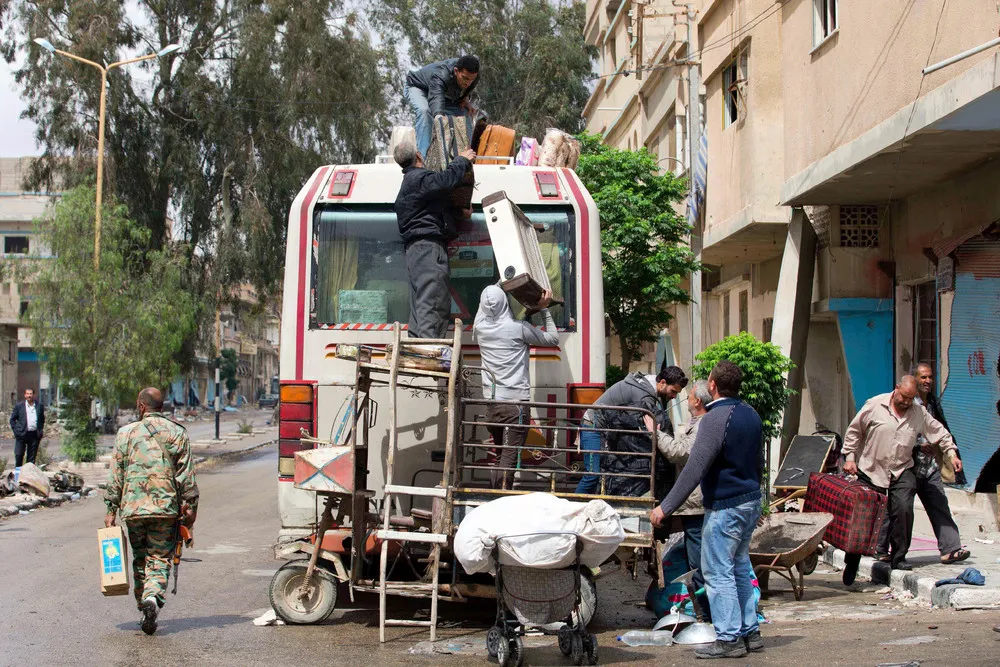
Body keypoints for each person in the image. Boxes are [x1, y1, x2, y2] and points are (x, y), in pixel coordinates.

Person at [651, 361, 765, 659]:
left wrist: (665, 508)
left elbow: (693, 470)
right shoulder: (751, 415)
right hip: (750, 500)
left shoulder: (715, 419)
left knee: (718, 571)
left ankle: (729, 638)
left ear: (712, 385)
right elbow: (759, 463)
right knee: (739, 566)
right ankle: (750, 633)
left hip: (726, 505)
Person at [104, 387, 199, 635]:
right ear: (162, 406)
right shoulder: (178, 433)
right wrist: (191, 510)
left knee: (139, 558)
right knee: (158, 558)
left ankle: (142, 603)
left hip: (133, 509)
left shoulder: (125, 434)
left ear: (141, 405)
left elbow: (116, 474)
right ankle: (152, 598)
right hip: (165, 509)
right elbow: (187, 478)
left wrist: (110, 508)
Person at [842, 375, 962, 571]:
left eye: (910, 399)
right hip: (871, 468)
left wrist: (952, 454)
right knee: (864, 517)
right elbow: (854, 431)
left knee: (904, 509)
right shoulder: (874, 405)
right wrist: (849, 458)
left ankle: (899, 557)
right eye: (903, 397)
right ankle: (852, 560)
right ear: (896, 388)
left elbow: (939, 432)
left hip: (901, 468)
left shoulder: (918, 412)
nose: (906, 402)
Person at [874, 363, 969, 566]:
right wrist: (918, 445)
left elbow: (939, 430)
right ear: (913, 380)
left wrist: (951, 453)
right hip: (906, 466)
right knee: (900, 509)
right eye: (923, 377)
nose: (927, 381)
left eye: (930, 377)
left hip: (929, 467)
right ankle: (881, 548)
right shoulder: (904, 402)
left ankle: (950, 549)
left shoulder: (932, 403)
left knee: (939, 504)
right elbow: (896, 432)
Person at [473, 284, 559, 489]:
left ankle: (494, 497)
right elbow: (553, 338)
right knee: (509, 458)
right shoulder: (518, 328)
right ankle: (500, 500)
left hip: (493, 406)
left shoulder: (480, 328)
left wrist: (496, 285)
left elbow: (485, 302)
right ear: (504, 303)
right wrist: (545, 308)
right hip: (516, 405)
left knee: (500, 456)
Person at [393, 141, 475, 339]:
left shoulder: (411, 185)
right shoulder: (419, 178)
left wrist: (456, 212)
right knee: (433, 306)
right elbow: (445, 180)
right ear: (419, 156)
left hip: (416, 252)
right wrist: (462, 160)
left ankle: (417, 357)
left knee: (421, 310)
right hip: (428, 250)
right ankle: (429, 358)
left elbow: (429, 207)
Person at [574, 366, 688, 497]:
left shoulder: (646, 385)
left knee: (598, 475)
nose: (674, 396)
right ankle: (571, 509)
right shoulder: (643, 395)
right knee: (592, 476)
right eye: (673, 391)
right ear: (662, 383)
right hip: (592, 425)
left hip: (604, 427)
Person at [646, 379, 711, 603]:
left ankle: (704, 612)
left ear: (698, 401)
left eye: (689, 395)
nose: (686, 398)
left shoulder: (703, 425)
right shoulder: (698, 422)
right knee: (695, 554)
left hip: (696, 505)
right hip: (692, 503)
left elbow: (679, 452)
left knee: (698, 559)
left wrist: (656, 433)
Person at [404, 56, 481, 157]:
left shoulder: (474, 76)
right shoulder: (441, 74)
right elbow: (436, 96)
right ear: (456, 71)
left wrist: (466, 98)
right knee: (425, 111)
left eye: (472, 79)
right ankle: (424, 158)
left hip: (442, 93)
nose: (468, 82)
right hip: (418, 87)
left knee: (464, 115)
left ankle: (465, 157)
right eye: (465, 78)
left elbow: (468, 89)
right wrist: (439, 115)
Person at [10, 388, 45, 468]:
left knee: (31, 458)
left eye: (31, 394)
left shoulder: (39, 406)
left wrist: (40, 431)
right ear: (25, 395)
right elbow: (12, 420)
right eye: (28, 394)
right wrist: (16, 431)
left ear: (33, 395)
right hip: (21, 434)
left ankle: (29, 477)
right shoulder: (19, 406)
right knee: (19, 455)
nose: (29, 395)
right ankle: (18, 476)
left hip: (34, 435)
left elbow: (42, 419)